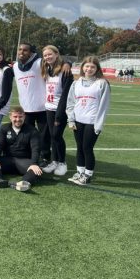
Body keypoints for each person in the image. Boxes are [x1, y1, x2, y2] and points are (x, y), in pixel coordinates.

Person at [13, 42, 71, 166]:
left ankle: (45, 157)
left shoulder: (39, 62)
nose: (22, 52)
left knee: (45, 136)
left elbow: (55, 59)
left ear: (32, 53)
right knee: (27, 135)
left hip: (43, 107)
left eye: (25, 50)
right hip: (26, 108)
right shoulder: (15, 66)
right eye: (20, 50)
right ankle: (29, 155)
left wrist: (67, 63)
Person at [66, 56, 111, 186]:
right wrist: (71, 119)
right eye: (87, 66)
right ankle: (80, 172)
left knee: (87, 148)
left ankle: (88, 175)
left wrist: (99, 124)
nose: (89, 69)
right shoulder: (76, 83)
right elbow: (71, 102)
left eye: (92, 67)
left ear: (97, 69)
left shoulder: (102, 83)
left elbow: (104, 105)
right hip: (78, 120)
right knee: (79, 147)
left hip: (92, 121)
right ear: (82, 67)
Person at [0, 106, 42, 192]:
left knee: (36, 170)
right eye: (15, 117)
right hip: (8, 160)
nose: (18, 119)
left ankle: (23, 183)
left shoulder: (32, 130)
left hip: (24, 161)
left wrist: (34, 163)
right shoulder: (4, 128)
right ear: (10, 116)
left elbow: (35, 149)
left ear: (24, 116)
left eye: (20, 117)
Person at [40, 45, 73, 176]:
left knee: (57, 135)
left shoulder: (65, 71)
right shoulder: (47, 68)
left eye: (50, 54)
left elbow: (66, 94)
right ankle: (54, 161)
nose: (47, 57)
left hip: (60, 109)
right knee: (52, 136)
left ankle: (62, 162)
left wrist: (60, 114)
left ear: (57, 54)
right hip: (49, 108)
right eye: (45, 55)